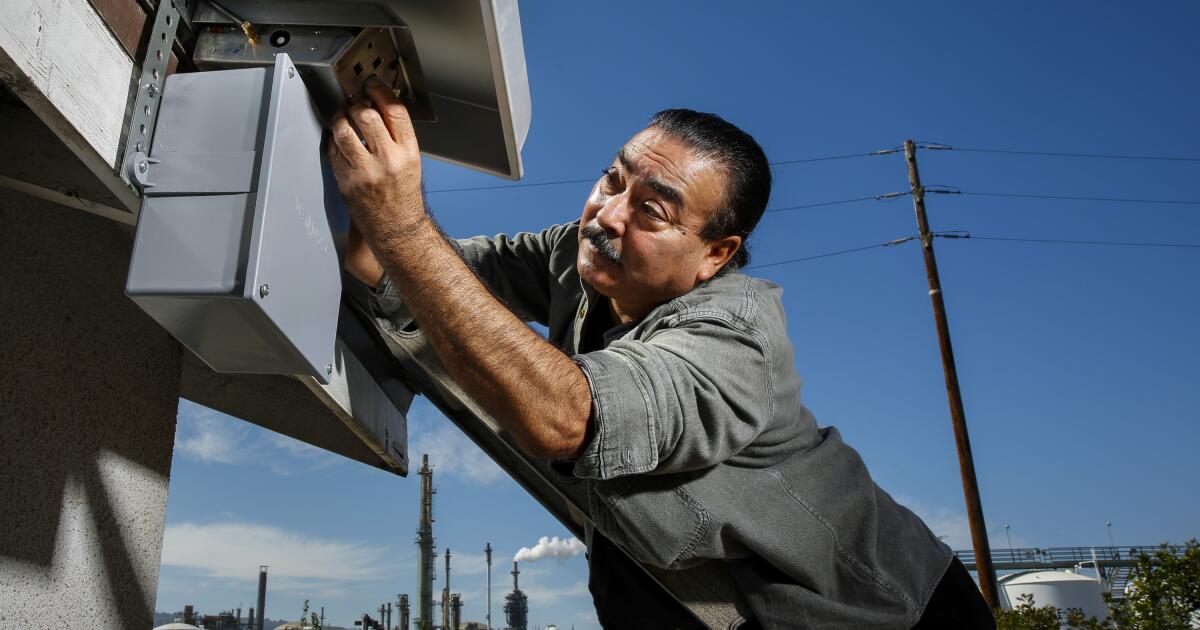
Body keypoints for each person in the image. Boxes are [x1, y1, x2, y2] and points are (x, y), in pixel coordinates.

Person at [329, 79, 995, 629]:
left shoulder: (735, 337)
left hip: (883, 617)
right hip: (683, 596)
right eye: (611, 179)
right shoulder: (577, 252)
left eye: (652, 211)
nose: (608, 214)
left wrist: (402, 222)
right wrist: (368, 191)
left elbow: (563, 419)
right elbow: (407, 277)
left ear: (716, 254)